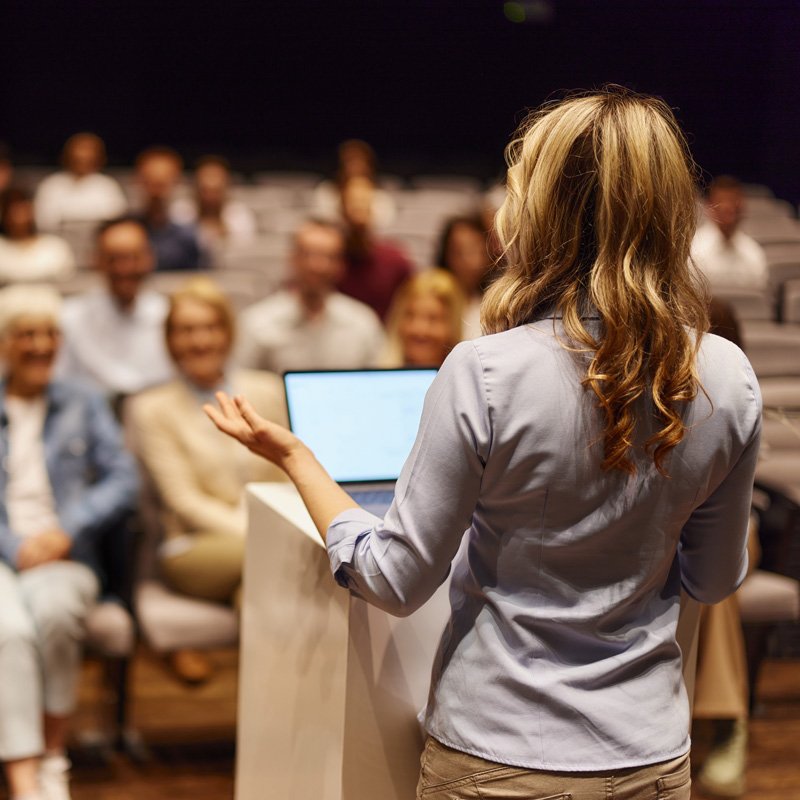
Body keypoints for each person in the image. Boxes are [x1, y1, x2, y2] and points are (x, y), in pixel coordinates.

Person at [206, 89, 761, 800]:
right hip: (649, 757)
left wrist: (297, 458)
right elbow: (713, 580)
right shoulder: (728, 375)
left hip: (498, 757)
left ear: (545, 209)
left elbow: (394, 581)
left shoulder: (485, 371)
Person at [0, 284, 138, 800]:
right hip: (4, 555)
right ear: (4, 343)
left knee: (56, 613)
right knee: (8, 630)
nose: (40, 345)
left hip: (66, 555)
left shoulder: (85, 401)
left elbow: (124, 480)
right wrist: (17, 548)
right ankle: (22, 778)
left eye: (50, 333)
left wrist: (66, 529)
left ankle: (53, 758)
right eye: (26, 334)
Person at [127, 277, 287, 683]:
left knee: (254, 593)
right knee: (282, 564)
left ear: (228, 333)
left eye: (209, 327)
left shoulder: (264, 390)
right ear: (169, 340)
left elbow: (285, 469)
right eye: (186, 330)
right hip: (192, 546)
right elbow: (183, 500)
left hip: (261, 541)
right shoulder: (150, 408)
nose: (199, 340)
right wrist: (258, 531)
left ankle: (264, 712)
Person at [237, 219, 385, 372]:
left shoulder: (362, 322)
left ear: (341, 265)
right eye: (309, 255)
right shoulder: (257, 323)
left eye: (329, 257)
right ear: (293, 258)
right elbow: (242, 385)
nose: (317, 266)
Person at [55, 216, 173, 401]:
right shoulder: (70, 318)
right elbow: (60, 384)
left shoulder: (169, 316)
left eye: (133, 257)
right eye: (114, 258)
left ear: (150, 258)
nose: (124, 268)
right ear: (95, 260)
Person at [337, 175, 414, 320]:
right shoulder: (327, 260)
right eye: (352, 202)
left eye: (364, 201)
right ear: (341, 208)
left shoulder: (395, 261)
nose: (358, 207)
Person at [33, 133, 128, 232]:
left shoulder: (108, 186)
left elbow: (116, 222)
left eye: (88, 158)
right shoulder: (51, 185)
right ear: (67, 156)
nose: (82, 159)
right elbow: (44, 222)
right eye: (77, 158)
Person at [691, 175, 768, 293]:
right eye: (722, 202)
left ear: (742, 207)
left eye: (733, 201)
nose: (728, 207)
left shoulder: (754, 253)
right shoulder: (693, 250)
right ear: (710, 207)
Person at [135, 146, 204, 271]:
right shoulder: (123, 232)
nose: (156, 192)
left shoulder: (189, 237)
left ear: (176, 182)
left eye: (162, 184)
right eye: (150, 181)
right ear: (138, 180)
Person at [170, 155, 256, 250]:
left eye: (216, 191)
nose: (210, 197)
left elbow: (245, 249)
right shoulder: (180, 210)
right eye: (205, 190)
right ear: (196, 186)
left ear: (226, 186)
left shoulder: (239, 213)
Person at [381, 269, 465, 367]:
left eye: (433, 319)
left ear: (453, 325)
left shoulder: (468, 380)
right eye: (410, 315)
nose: (419, 329)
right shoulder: (380, 377)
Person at [435, 215, 493, 339]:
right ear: (446, 255)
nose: (472, 261)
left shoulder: (492, 307)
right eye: (461, 252)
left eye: (477, 251)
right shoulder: (432, 300)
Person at [0, 189, 75, 284]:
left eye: (22, 209)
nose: (17, 215)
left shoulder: (55, 246)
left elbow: (66, 282)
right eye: (11, 210)